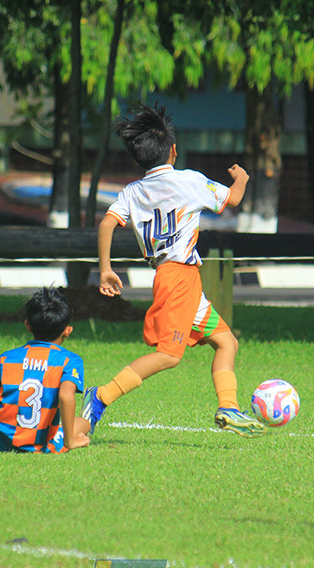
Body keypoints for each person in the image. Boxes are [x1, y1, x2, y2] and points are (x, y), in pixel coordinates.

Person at [82, 103, 264, 438]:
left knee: (227, 343)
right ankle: (101, 396)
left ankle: (228, 407)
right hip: (178, 278)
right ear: (174, 151)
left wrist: (106, 269)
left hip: (177, 278)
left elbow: (107, 223)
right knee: (168, 355)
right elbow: (233, 200)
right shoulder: (189, 181)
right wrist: (241, 179)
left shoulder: (132, 192)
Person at [0, 287, 91, 453]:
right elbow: (65, 396)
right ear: (68, 330)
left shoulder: (6, 359)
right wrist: (69, 441)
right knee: (83, 423)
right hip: (39, 445)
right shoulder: (69, 361)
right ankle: (68, 436)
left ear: (28, 325)